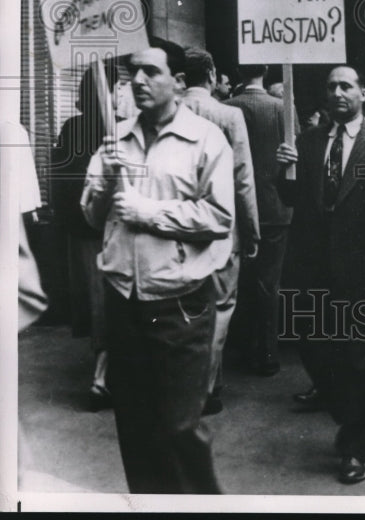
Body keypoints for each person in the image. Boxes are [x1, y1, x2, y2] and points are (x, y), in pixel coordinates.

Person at [81, 39, 234, 494]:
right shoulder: (116, 138)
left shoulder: (206, 140)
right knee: (135, 426)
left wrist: (149, 212)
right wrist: (106, 183)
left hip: (178, 303)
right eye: (133, 73)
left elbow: (220, 218)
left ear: (180, 83)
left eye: (151, 72)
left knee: (179, 426)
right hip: (124, 299)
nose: (138, 81)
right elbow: (91, 217)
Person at [276, 66, 365, 485]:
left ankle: (356, 447)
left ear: (362, 92)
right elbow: (294, 200)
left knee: (362, 361)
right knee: (317, 352)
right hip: (313, 272)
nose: (337, 92)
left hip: (364, 274)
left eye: (345, 86)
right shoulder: (308, 141)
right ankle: (354, 409)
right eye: (331, 87)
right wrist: (282, 170)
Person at [182, 47, 261, 413]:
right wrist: (252, 228)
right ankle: (207, 386)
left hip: (177, 227)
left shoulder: (167, 114)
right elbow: (243, 177)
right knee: (221, 307)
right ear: (211, 74)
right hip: (221, 227)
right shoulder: (228, 115)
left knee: (183, 309)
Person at [50, 62, 119, 410]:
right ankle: (102, 376)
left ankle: (103, 372)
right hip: (110, 228)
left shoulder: (71, 127)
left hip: (81, 229)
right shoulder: (118, 131)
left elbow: (58, 179)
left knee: (96, 303)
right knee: (111, 302)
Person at [225, 63, 295, 376]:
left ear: (237, 73)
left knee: (238, 281)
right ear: (265, 71)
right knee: (269, 282)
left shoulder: (225, 108)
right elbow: (296, 154)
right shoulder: (283, 109)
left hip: (235, 208)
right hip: (275, 207)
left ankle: (238, 347)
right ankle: (267, 351)